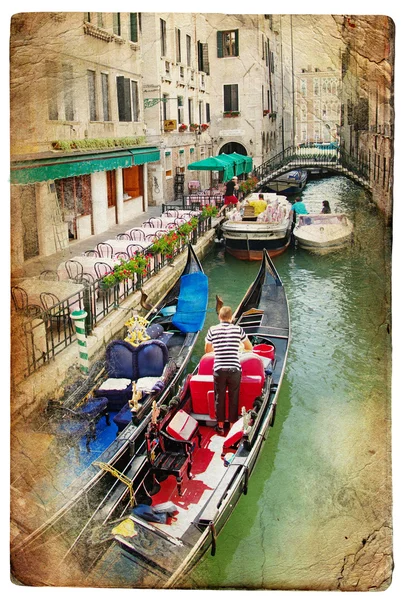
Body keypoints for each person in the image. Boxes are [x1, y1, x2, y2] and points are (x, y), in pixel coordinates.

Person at [205, 305, 253, 435]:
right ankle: (232, 426)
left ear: (219, 317)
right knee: (234, 396)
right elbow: (250, 347)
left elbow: (207, 350)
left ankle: (220, 426)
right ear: (231, 318)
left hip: (219, 369)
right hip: (234, 369)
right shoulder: (238, 330)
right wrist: (239, 348)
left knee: (219, 397)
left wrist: (218, 349)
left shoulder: (212, 330)